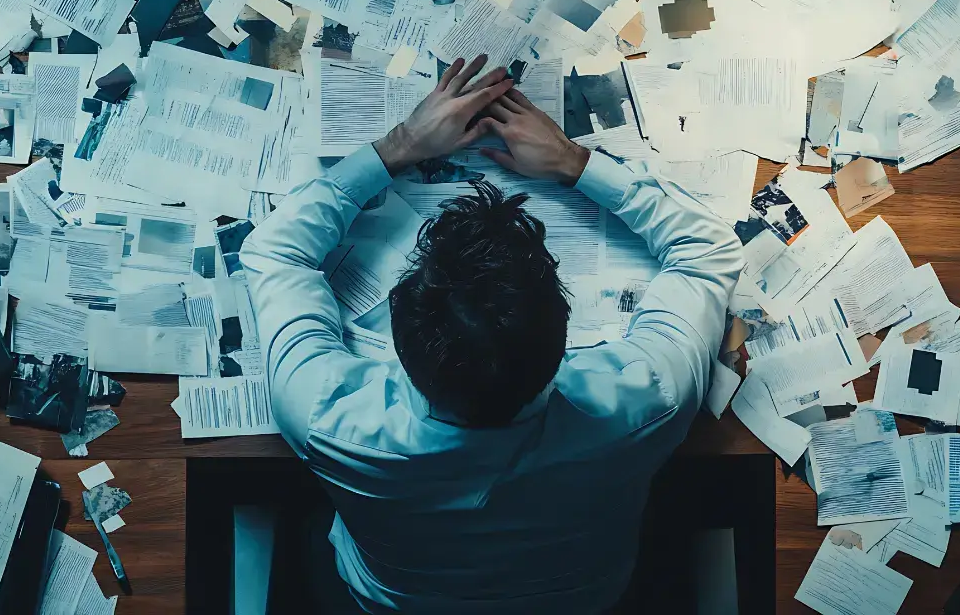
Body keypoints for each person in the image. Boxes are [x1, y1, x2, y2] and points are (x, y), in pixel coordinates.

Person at [242, 54, 743, 614]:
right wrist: (575, 162)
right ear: (565, 339)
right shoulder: (648, 401)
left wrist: (401, 145)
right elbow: (708, 250)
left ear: (399, 341)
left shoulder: (324, 414)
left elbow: (274, 250)